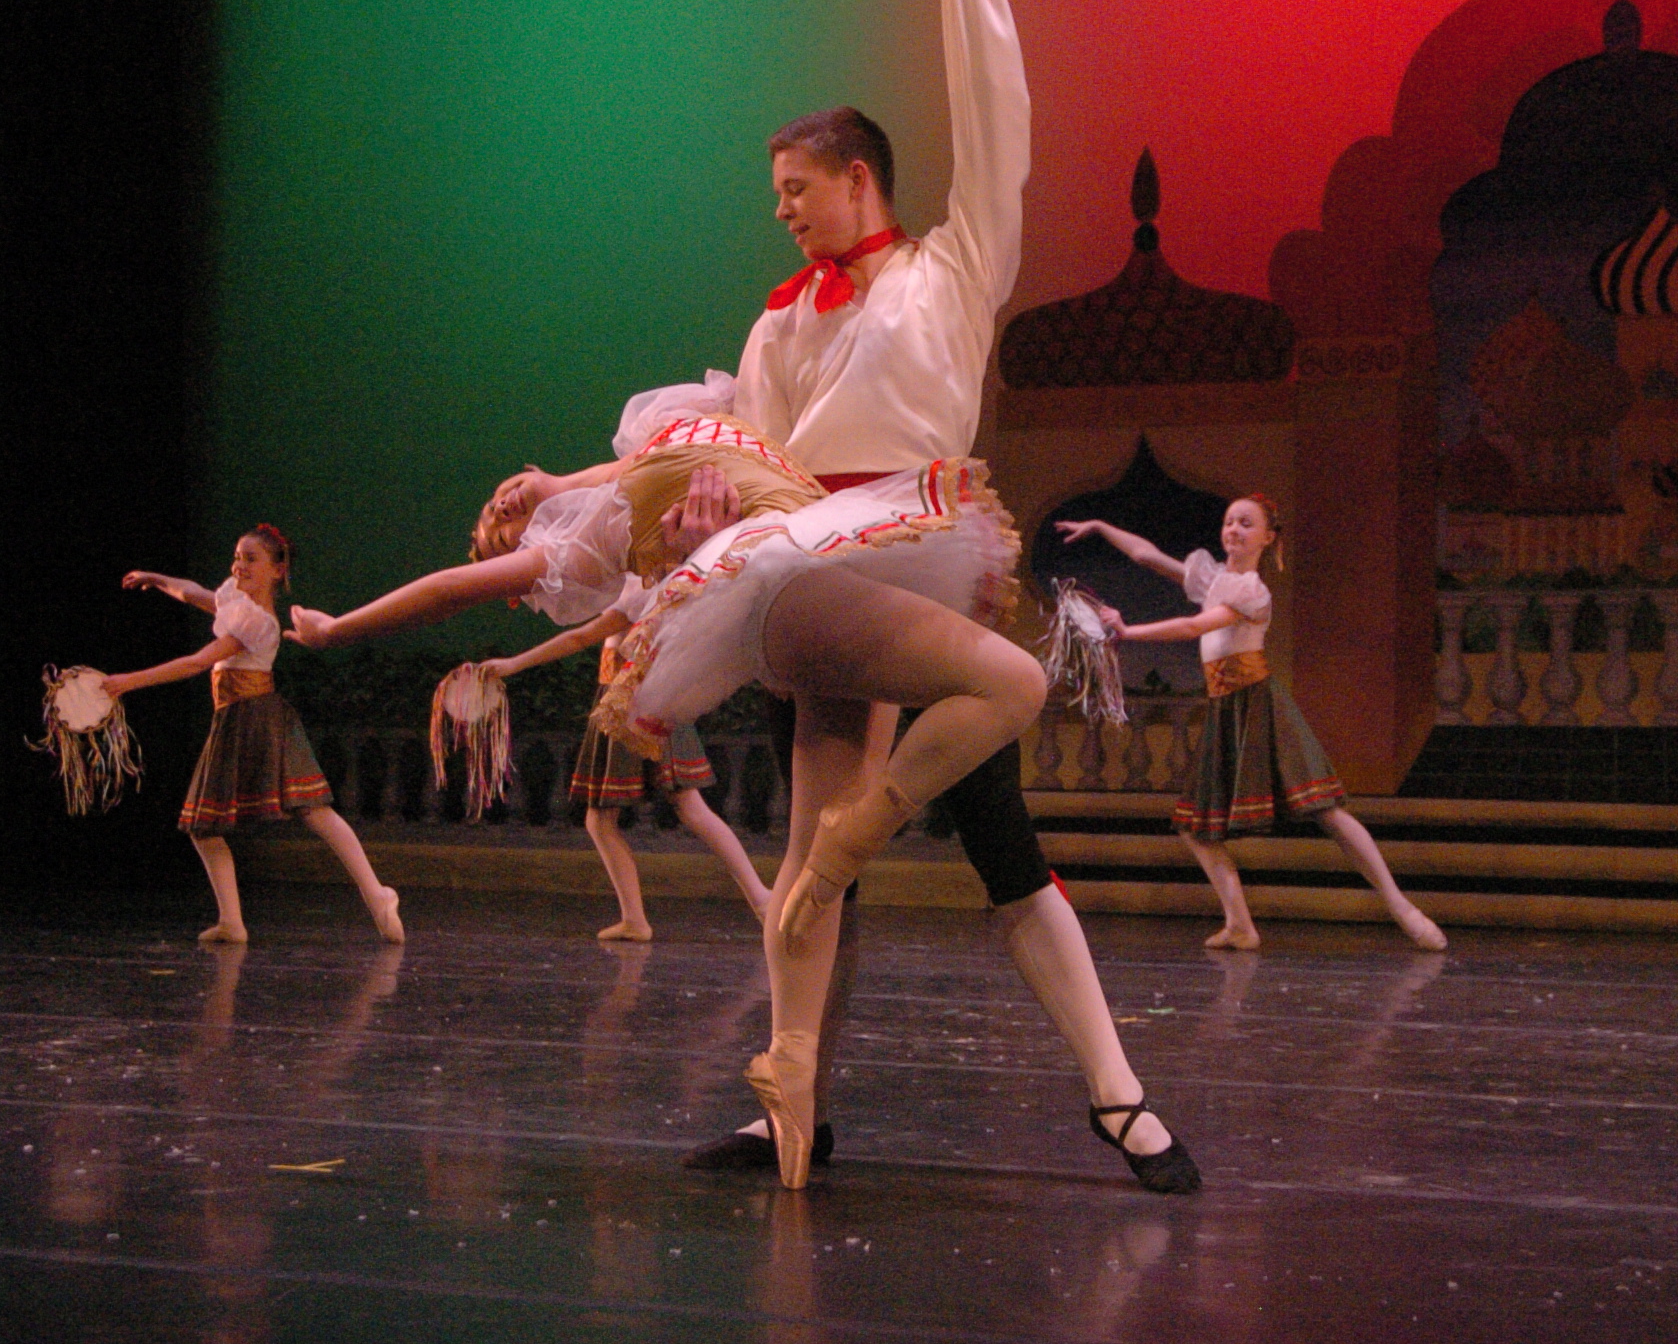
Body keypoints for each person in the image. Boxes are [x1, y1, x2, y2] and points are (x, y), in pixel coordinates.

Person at [494, 0, 1198, 1193]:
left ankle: (1118, 1097)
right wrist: (662, 498)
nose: (781, 208)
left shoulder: (951, 272)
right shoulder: (780, 324)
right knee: (814, 866)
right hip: (815, 586)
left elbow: (999, 136)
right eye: (775, 192)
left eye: (795, 187)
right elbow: (740, 456)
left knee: (998, 851)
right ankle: (793, 1107)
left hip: (926, 570)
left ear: (858, 177)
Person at [287, 403, 1063, 1187]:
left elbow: (668, 452)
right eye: (501, 533)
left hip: (833, 565)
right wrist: (337, 630)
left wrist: (571, 482)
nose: (501, 510)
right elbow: (450, 590)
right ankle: (859, 832)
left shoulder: (634, 456)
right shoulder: (581, 546)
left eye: (498, 502)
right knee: (1012, 683)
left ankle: (793, 1084)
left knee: (811, 868)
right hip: (789, 588)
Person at [1059, 497, 1447, 954]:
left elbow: (1194, 627)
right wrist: (1100, 525)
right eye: (1229, 522)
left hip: (1258, 704)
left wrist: (1128, 631)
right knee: (1195, 827)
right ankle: (1239, 925)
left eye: (1246, 523)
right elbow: (1147, 555)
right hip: (1225, 709)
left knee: (1325, 810)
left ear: (1268, 538)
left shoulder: (1252, 591)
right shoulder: (1213, 580)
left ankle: (1402, 908)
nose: (1234, 529)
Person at [102, 525, 402, 946]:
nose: (239, 565)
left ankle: (376, 893)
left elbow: (197, 662)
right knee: (204, 826)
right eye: (237, 557)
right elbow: (194, 593)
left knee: (312, 810)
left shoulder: (257, 622)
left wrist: (126, 682)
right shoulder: (237, 604)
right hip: (234, 720)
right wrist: (157, 578)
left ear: (277, 570)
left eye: (251, 559)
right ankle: (231, 922)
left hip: (258, 719)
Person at [475, 574, 772, 937]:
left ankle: (745, 900)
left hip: (629, 696)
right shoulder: (651, 580)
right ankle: (747, 899)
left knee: (616, 817)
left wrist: (515, 663)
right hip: (639, 691)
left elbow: (580, 637)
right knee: (675, 808)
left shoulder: (640, 585)